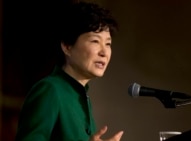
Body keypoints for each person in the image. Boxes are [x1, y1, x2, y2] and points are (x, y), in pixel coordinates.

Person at [15, 1, 124, 141]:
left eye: (108, 44)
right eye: (95, 41)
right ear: (67, 46)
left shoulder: (82, 98)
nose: (104, 52)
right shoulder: (50, 90)